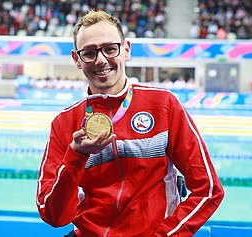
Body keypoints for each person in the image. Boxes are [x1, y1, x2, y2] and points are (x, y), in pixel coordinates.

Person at [36, 10, 224, 237]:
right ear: (77, 59)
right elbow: (53, 216)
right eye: (89, 53)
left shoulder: (164, 106)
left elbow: (209, 189)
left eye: (110, 49)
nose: (101, 60)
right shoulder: (64, 124)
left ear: (126, 50)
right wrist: (75, 157)